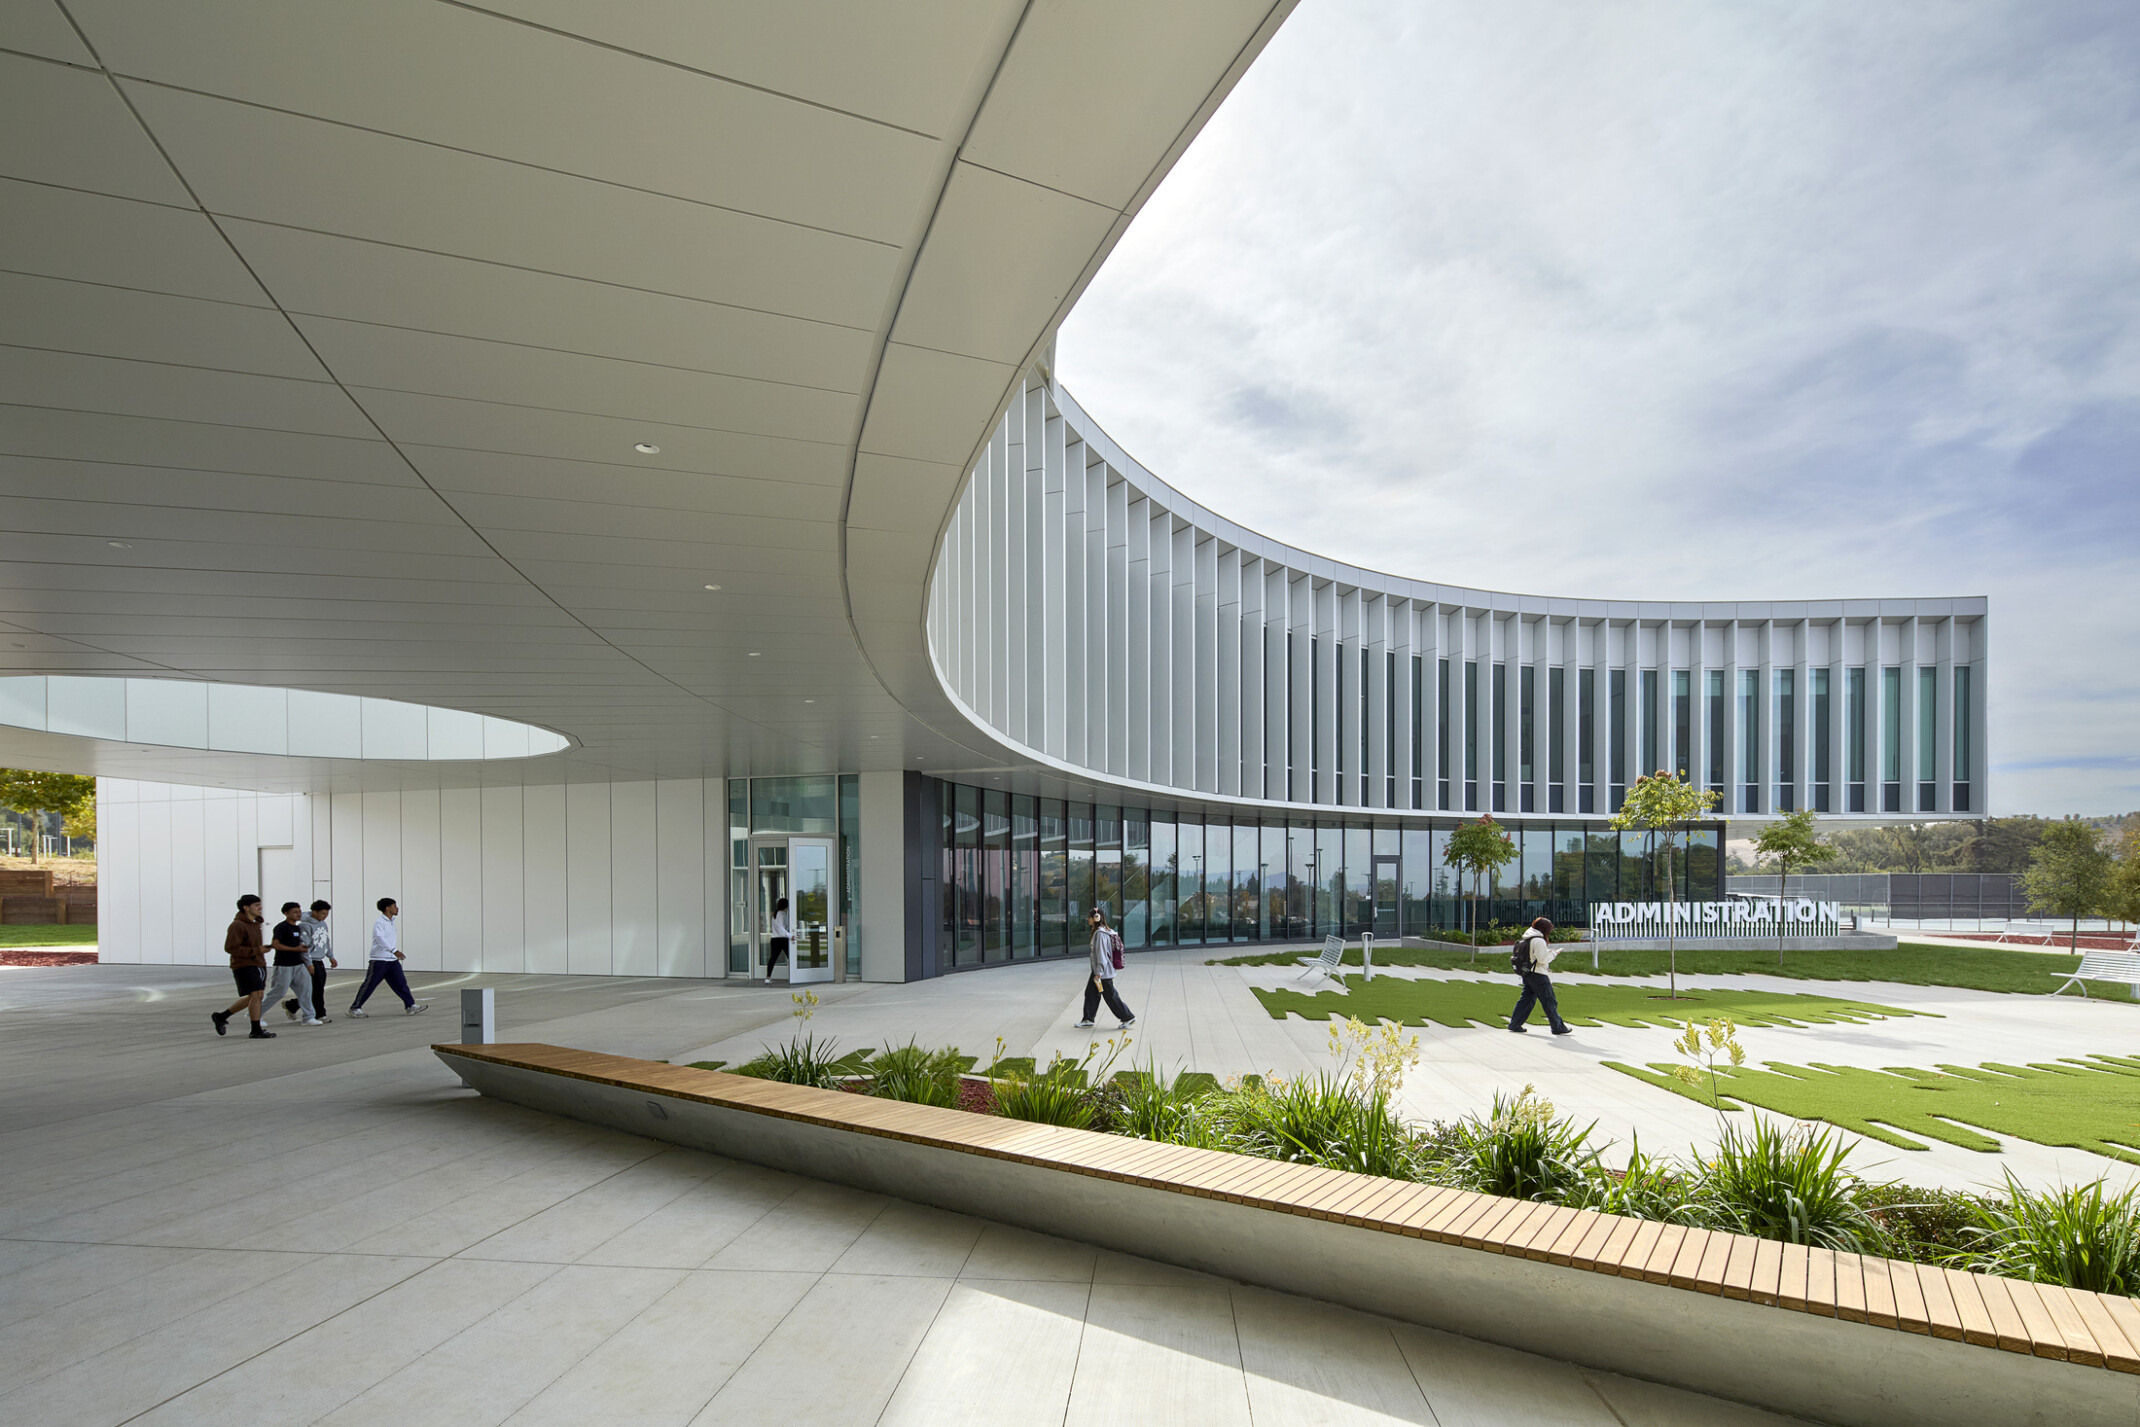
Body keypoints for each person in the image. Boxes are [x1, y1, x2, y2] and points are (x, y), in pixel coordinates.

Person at [348, 897, 428, 1017]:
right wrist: (394, 951)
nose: (397, 908)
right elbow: (380, 939)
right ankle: (355, 1008)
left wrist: (393, 953)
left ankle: (410, 1005)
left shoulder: (391, 921)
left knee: (401, 983)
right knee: (370, 984)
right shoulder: (379, 922)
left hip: (391, 960)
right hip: (379, 960)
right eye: (394, 906)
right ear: (387, 908)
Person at [211, 894, 274, 1039]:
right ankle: (256, 1029)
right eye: (256, 905)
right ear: (246, 908)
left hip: (257, 963)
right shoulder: (237, 925)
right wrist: (257, 950)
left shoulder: (254, 923)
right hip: (244, 965)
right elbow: (231, 948)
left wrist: (260, 950)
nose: (260, 908)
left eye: (260, 904)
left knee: (256, 996)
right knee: (256, 995)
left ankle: (221, 1017)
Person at [1508, 917, 1572, 1035]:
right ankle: (1558, 1027)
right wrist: (1554, 953)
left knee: (1526, 1000)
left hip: (1528, 973)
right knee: (1549, 1001)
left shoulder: (1528, 937)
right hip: (1538, 975)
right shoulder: (1538, 940)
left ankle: (1515, 1024)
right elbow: (1543, 960)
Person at [1074, 908, 1136, 1029]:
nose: (1088, 919)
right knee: (1091, 993)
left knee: (1110, 996)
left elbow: (1102, 955)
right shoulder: (1103, 931)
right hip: (1099, 971)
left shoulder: (1101, 933)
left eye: (1090, 917)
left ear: (1096, 918)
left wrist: (1099, 973)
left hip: (1102, 972)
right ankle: (1088, 1019)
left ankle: (1128, 1017)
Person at [264, 902, 322, 1026]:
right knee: (278, 992)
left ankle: (308, 1017)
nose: (298, 914)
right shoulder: (281, 927)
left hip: (298, 964)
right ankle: (256, 1015)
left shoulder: (297, 928)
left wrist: (307, 962)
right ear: (286, 913)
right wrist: (295, 949)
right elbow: (276, 945)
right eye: (295, 912)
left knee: (306, 990)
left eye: (299, 912)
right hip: (284, 965)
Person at [284, 899, 335, 1024]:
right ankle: (320, 1014)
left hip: (320, 959)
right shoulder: (304, 925)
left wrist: (330, 956)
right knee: (317, 989)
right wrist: (308, 963)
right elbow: (304, 946)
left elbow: (326, 941)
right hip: (311, 960)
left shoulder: (323, 924)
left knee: (317, 988)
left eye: (327, 914)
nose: (325, 916)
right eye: (323, 913)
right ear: (315, 912)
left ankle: (293, 1005)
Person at [764, 896, 792, 977]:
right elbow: (781, 927)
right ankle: (795, 975)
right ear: (786, 905)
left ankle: (768, 977)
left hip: (775, 939)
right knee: (791, 956)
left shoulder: (776, 914)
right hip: (782, 939)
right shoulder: (781, 914)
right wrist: (790, 935)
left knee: (773, 958)